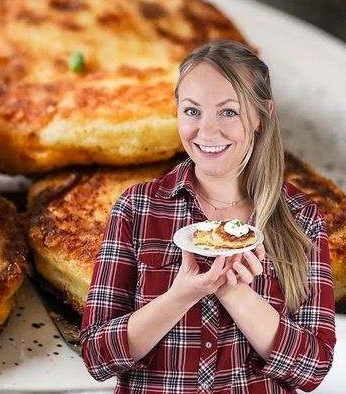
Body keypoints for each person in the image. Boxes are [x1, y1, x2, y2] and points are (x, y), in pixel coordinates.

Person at [79, 39, 336, 393]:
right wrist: (180, 296)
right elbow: (96, 356)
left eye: (228, 111)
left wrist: (238, 296)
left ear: (261, 115)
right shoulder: (137, 208)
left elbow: (314, 369)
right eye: (192, 111)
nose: (207, 131)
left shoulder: (301, 218)